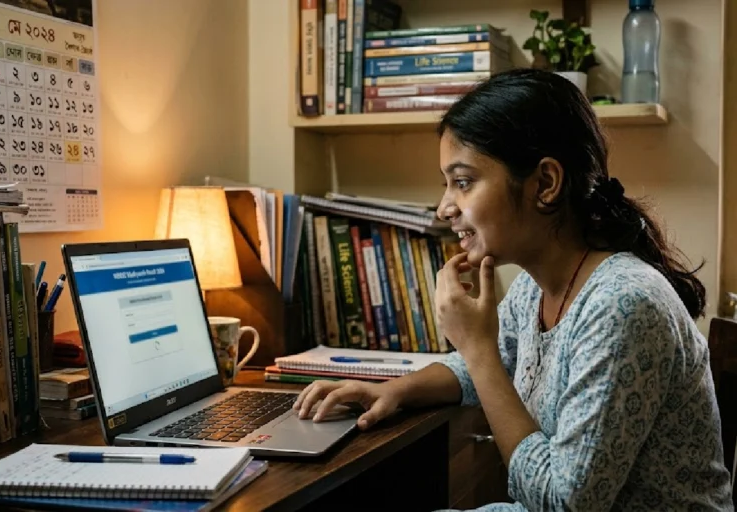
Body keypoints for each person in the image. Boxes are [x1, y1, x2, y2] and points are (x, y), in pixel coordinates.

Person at [293, 68, 735, 510]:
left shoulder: (623, 306)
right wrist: (394, 389)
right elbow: (481, 367)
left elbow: (563, 503)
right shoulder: (533, 288)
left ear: (545, 184)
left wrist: (477, 345)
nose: (445, 206)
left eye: (463, 182)